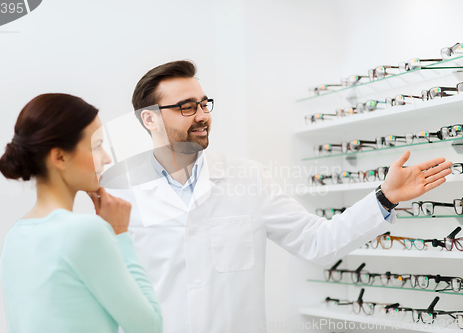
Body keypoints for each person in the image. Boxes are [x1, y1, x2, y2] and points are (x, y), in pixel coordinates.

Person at [103, 60, 452, 333]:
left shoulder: (248, 178)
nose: (203, 116)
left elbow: (319, 241)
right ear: (149, 119)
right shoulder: (117, 191)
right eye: (186, 107)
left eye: (204, 104)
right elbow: (108, 290)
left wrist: (385, 197)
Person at [0, 93, 162, 333]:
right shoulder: (85, 232)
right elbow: (149, 326)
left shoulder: (15, 236)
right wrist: (120, 233)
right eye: (96, 146)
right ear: (60, 157)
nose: (106, 159)